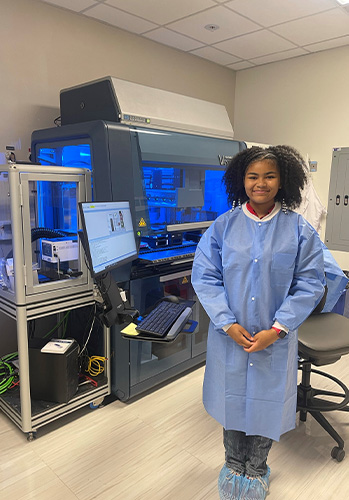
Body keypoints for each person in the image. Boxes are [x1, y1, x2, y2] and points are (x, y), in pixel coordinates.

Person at [192, 145, 328, 500]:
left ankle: (257, 469)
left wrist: (278, 329)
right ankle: (233, 463)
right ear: (242, 180)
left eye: (269, 176)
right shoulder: (224, 226)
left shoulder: (298, 230)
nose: (261, 183)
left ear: (282, 181)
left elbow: (310, 282)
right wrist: (226, 322)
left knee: (265, 402)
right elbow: (205, 277)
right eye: (253, 176)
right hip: (231, 336)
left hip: (274, 338)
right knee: (232, 399)